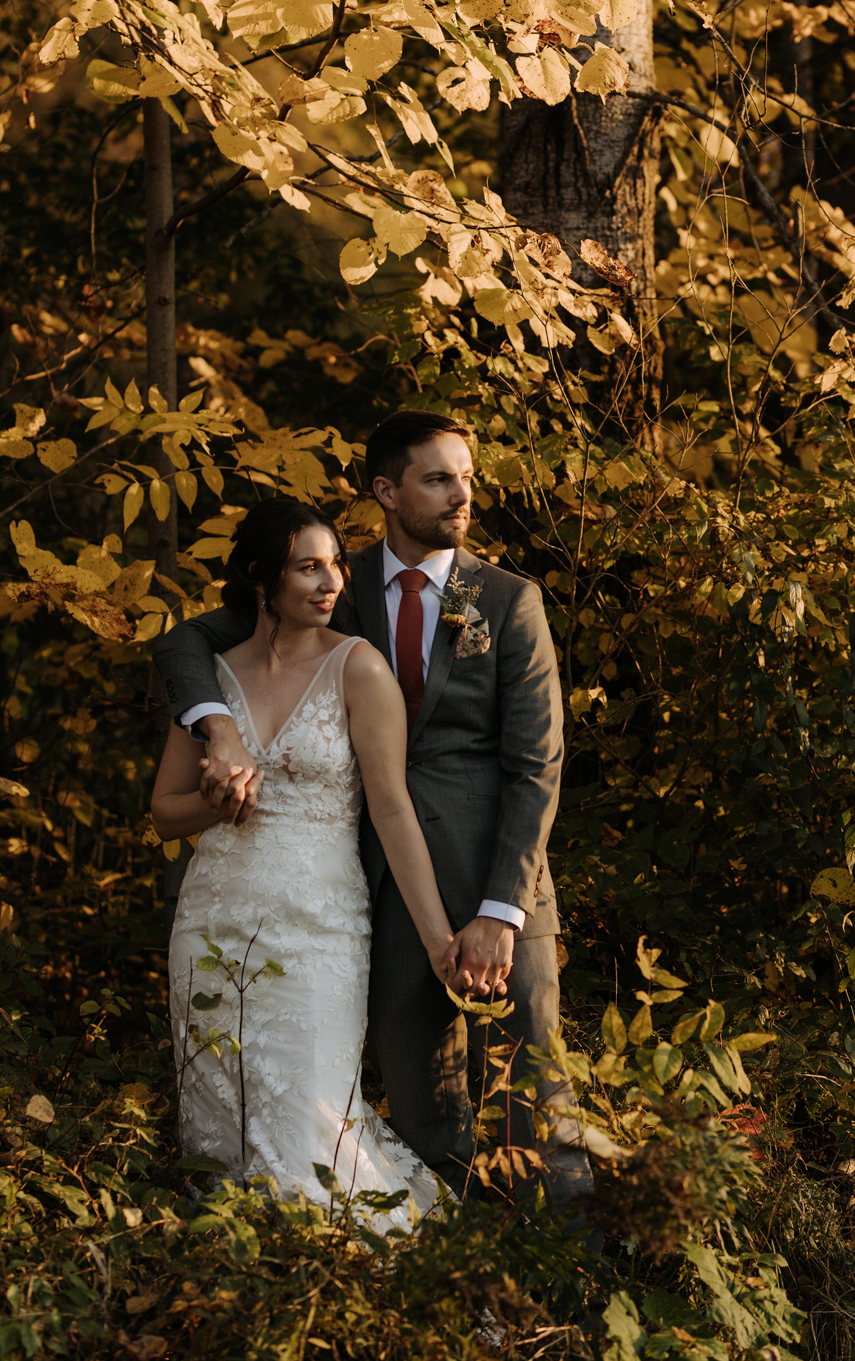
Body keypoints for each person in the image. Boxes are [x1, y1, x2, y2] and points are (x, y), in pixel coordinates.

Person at [153, 410, 593, 1209]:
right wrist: (218, 726)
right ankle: (450, 1268)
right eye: (439, 478)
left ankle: (573, 1269)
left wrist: (502, 910)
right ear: (387, 491)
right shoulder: (334, 583)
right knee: (423, 1114)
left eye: (466, 477)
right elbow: (187, 643)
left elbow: (537, 766)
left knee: (535, 1102)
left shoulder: (506, 599)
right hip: (373, 890)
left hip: (495, 883)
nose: (462, 495)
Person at [151, 497, 455, 1222]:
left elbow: (391, 811)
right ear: (262, 578)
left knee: (310, 1121)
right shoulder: (212, 677)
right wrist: (218, 802)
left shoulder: (359, 667)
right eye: (307, 567)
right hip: (212, 923)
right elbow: (164, 813)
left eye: (336, 565)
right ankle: (242, 1274)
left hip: (317, 932)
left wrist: (438, 938)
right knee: (220, 1128)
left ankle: (355, 1274)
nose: (330, 583)